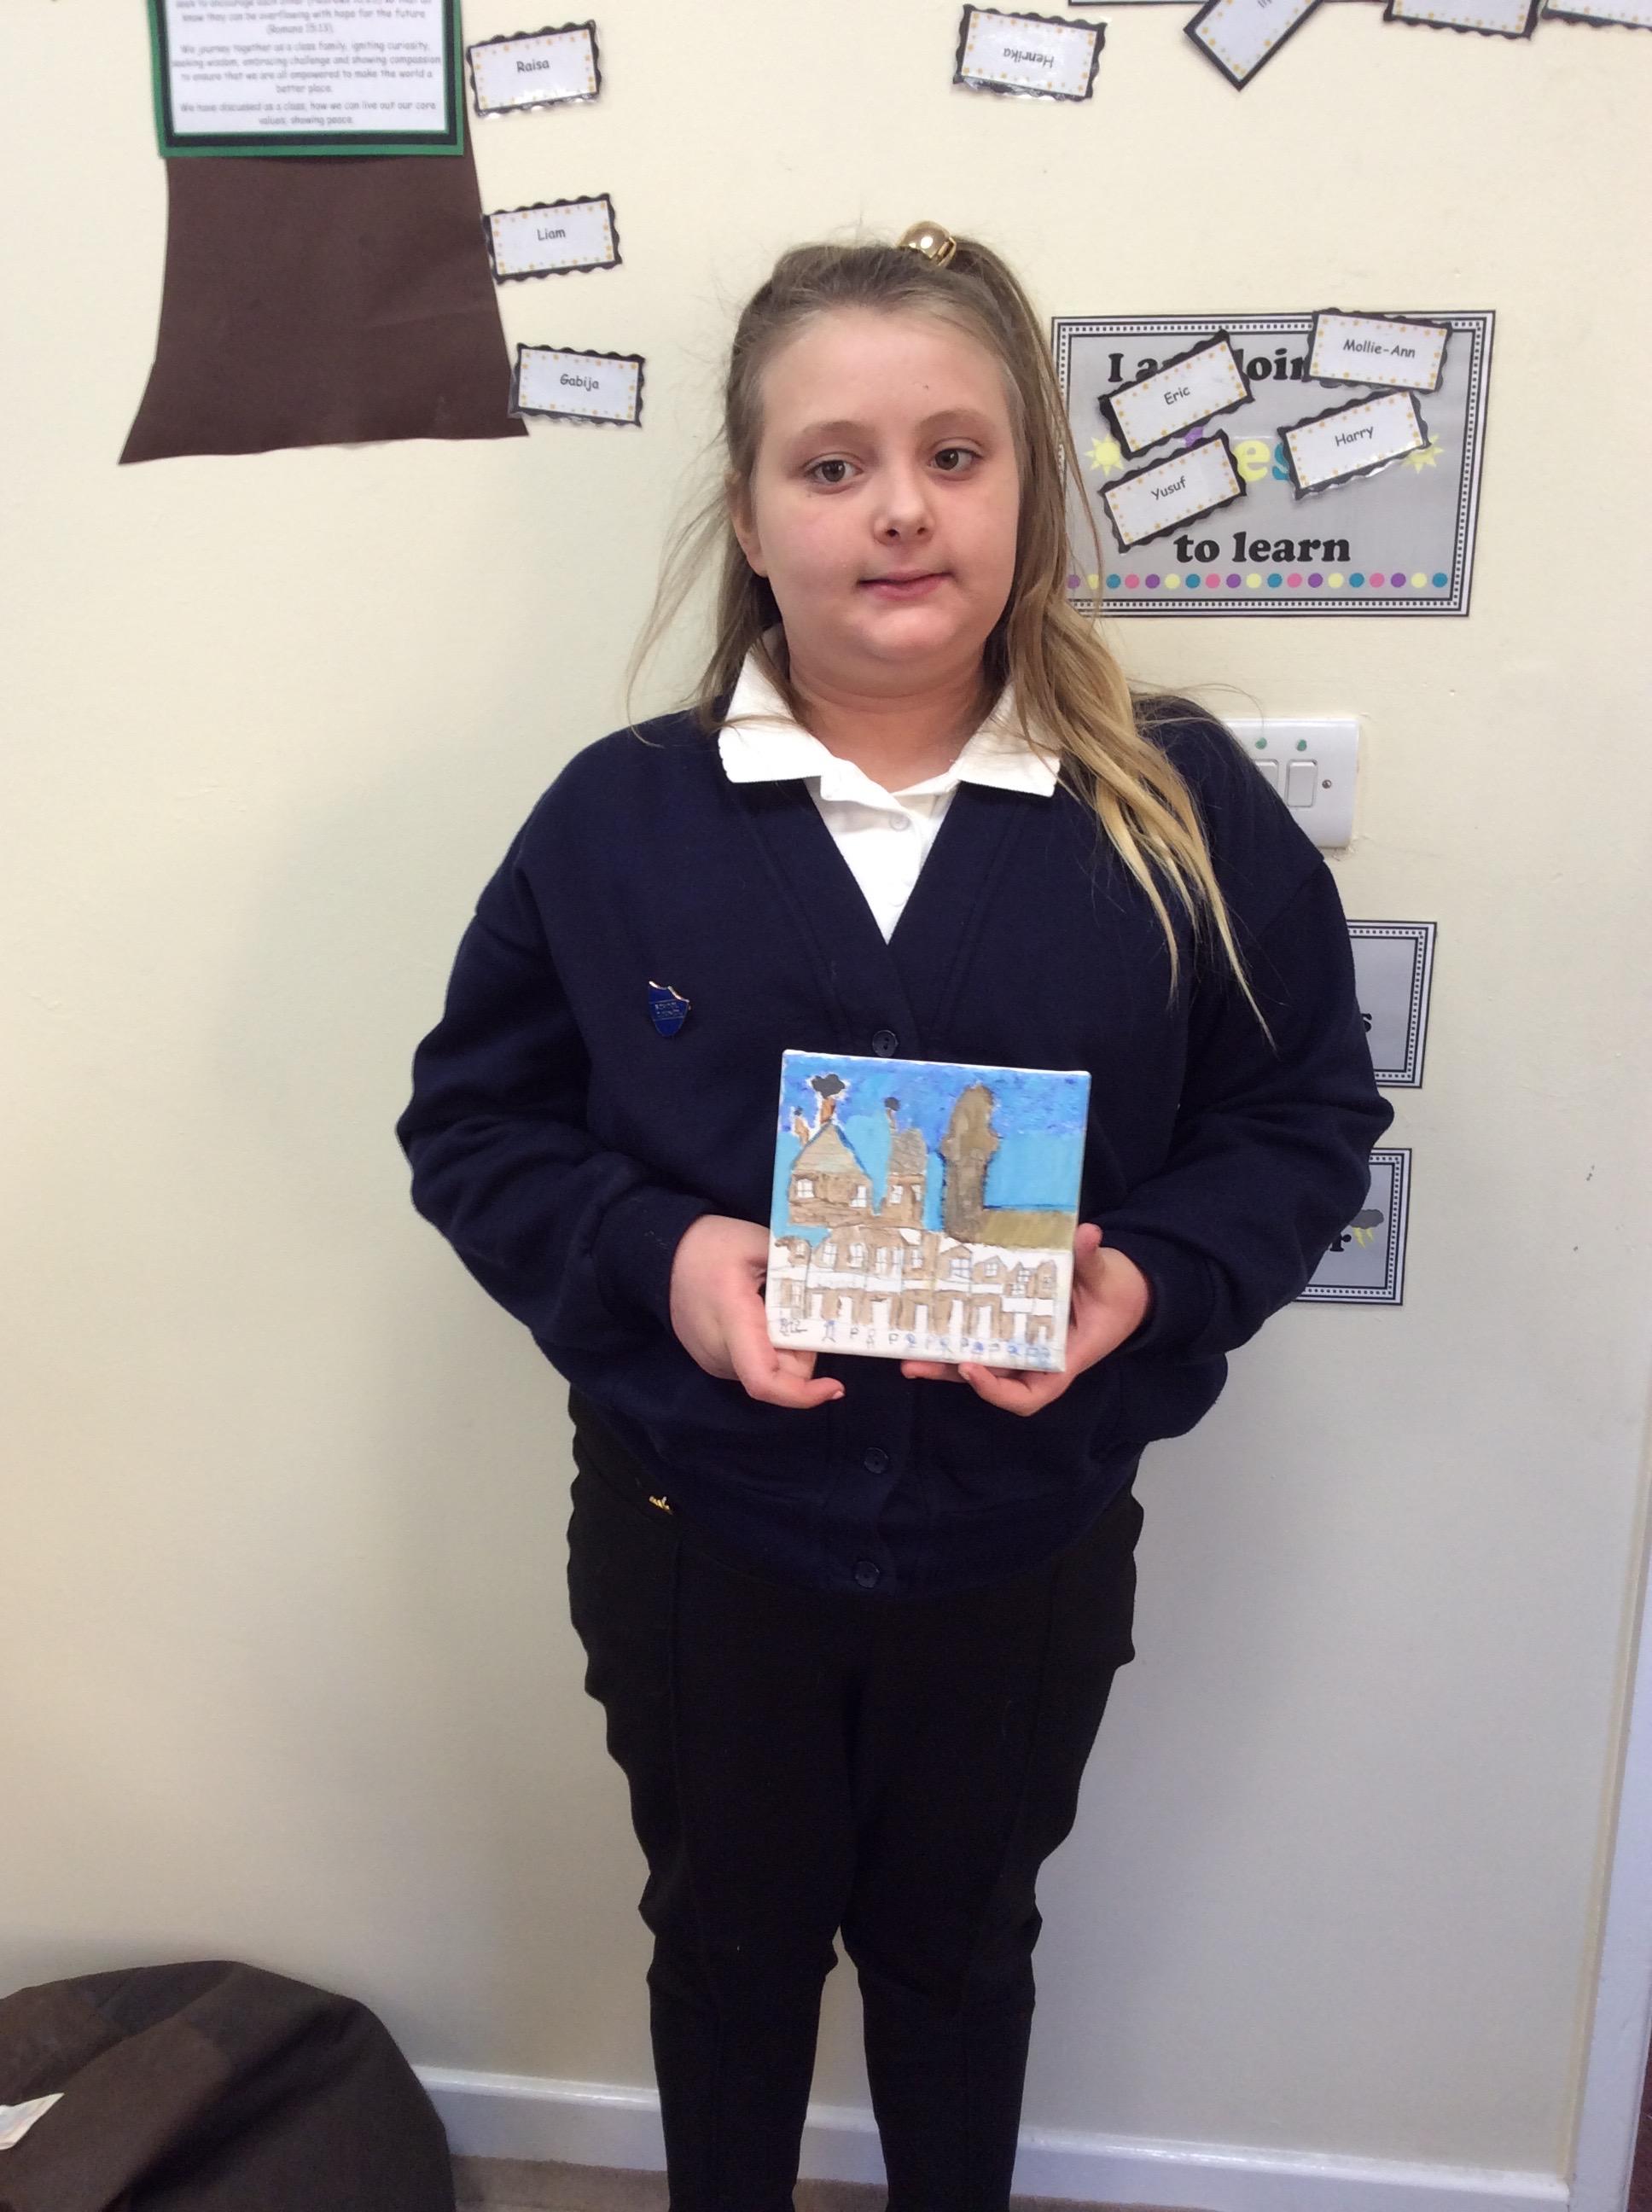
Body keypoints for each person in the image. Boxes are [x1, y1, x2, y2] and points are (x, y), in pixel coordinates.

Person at [395, 222, 1393, 2212]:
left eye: (954, 454)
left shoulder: (1179, 808)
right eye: (831, 463)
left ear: (1027, 495)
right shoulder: (618, 822)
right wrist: (666, 1259)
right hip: (699, 1540)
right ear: (750, 518)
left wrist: (1148, 1279)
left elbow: (1296, 1114)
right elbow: (476, 1120)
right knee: (727, 1951)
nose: (899, 510)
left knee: (960, 1954)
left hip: (1020, 1545)